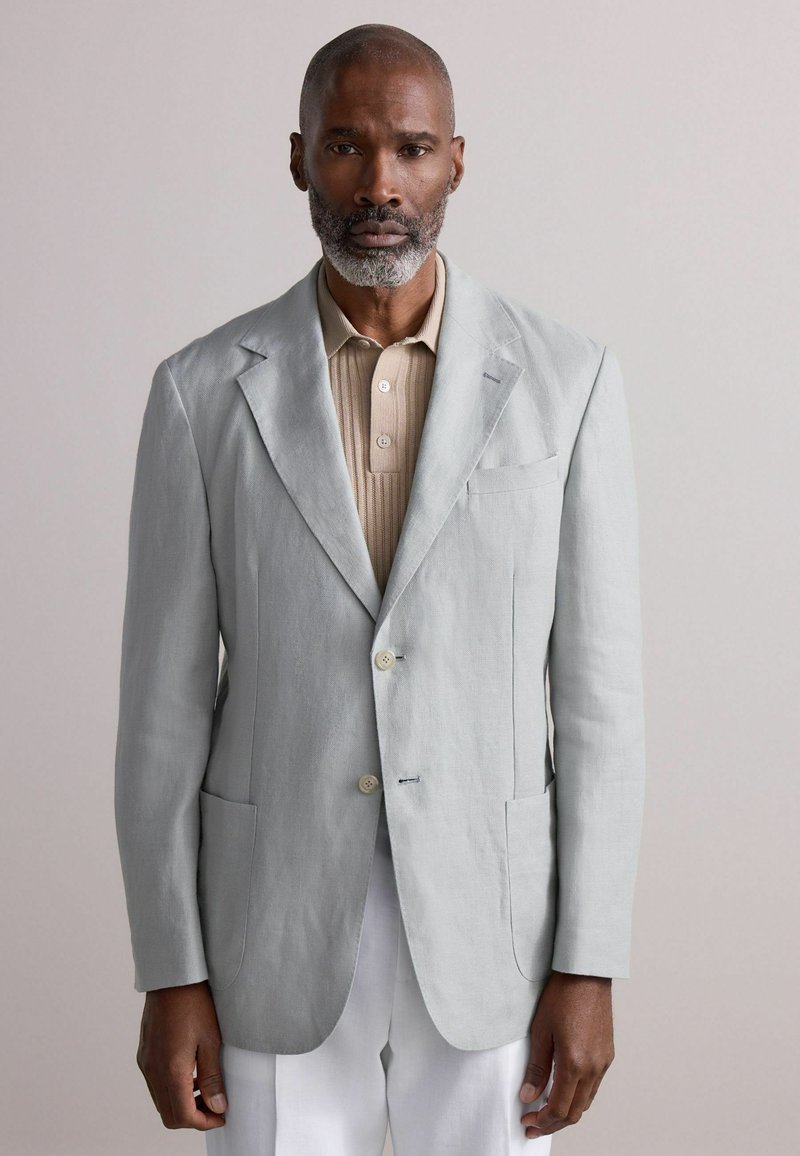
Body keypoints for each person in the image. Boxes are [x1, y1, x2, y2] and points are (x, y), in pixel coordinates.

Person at [114, 22, 647, 1155]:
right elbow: (161, 712)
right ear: (298, 157)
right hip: (267, 927)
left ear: (456, 160)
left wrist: (589, 960)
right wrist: (171, 970)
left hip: (495, 930)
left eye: (410, 148)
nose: (379, 185)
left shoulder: (568, 383)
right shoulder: (201, 394)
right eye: (347, 146)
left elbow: (599, 703)